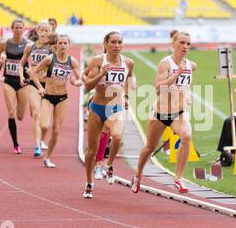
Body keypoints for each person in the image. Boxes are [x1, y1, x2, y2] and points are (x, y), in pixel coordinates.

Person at [131, 30, 197, 194]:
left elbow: (185, 85)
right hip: (160, 113)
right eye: (181, 43)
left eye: (188, 44)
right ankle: (138, 174)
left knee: (187, 136)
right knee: (149, 147)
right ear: (173, 44)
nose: (185, 46)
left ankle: (178, 179)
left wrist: (187, 95)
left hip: (180, 113)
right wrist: (177, 74)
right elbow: (158, 89)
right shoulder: (165, 63)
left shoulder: (191, 65)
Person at [82, 31, 134, 199]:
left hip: (115, 107)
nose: (117, 45)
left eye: (120, 42)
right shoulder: (98, 61)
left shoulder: (128, 62)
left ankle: (109, 165)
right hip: (97, 107)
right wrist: (101, 74)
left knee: (117, 136)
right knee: (91, 151)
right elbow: (87, 87)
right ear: (106, 43)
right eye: (113, 42)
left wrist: (125, 96)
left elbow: (125, 80)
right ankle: (89, 183)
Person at [30, 35, 81, 168]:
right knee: (45, 125)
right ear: (56, 45)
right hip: (48, 96)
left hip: (62, 98)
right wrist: (40, 87)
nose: (63, 45)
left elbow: (80, 78)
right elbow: (33, 72)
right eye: (60, 43)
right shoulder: (49, 59)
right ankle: (40, 142)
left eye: (65, 43)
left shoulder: (72, 61)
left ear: (69, 45)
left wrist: (75, 82)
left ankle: (47, 157)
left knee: (57, 130)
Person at [19, 21, 52, 157]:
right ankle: (37, 145)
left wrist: (48, 72)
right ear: (37, 31)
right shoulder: (29, 47)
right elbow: (21, 64)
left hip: (49, 86)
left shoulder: (53, 48)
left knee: (45, 124)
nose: (44, 33)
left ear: (50, 32)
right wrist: (21, 76)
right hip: (33, 83)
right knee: (36, 113)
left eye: (46, 30)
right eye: (42, 30)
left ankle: (42, 138)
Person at [0, 19, 29, 154]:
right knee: (11, 113)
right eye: (16, 28)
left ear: (23, 29)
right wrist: (0, 61)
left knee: (20, 115)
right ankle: (16, 144)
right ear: (12, 29)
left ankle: (18, 106)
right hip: (9, 80)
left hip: (23, 82)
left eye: (20, 28)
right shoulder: (5, 44)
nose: (18, 30)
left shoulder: (28, 44)